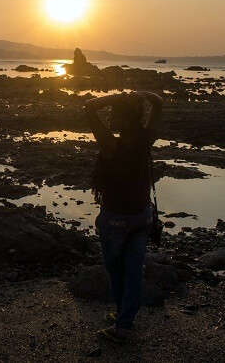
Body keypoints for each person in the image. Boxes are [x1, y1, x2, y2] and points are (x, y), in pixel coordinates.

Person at [84, 91, 163, 342]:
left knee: (117, 271)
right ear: (139, 116)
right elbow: (158, 102)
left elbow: (89, 107)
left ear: (120, 117)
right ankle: (124, 319)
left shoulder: (111, 143)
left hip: (116, 218)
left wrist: (115, 98)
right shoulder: (145, 140)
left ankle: (123, 324)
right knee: (133, 271)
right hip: (142, 216)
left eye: (117, 114)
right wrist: (139, 95)